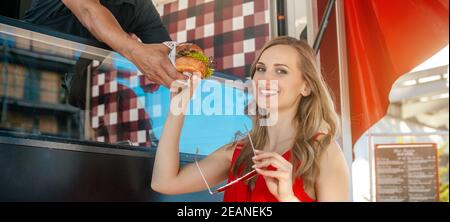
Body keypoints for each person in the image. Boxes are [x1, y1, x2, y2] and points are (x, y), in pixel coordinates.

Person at [151, 36, 350, 202]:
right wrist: (178, 107)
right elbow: (164, 182)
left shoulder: (324, 153)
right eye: (261, 69)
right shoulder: (240, 151)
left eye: (281, 71)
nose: (265, 79)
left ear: (306, 86)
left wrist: (289, 197)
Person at [23, 0, 186, 108]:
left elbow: (169, 56)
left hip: (77, 103)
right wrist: (137, 51)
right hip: (23, 79)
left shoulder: (140, 7)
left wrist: (179, 67)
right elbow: (88, 10)